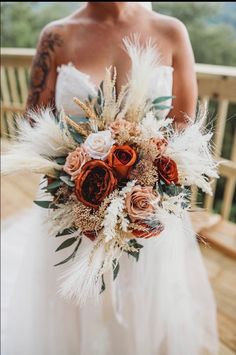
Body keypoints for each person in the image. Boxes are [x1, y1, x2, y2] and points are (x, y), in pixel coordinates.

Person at [2, 3, 218, 355]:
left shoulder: (171, 32)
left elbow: (185, 133)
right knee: (72, 311)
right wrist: (81, 175)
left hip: (146, 214)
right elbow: (33, 127)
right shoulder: (56, 36)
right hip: (71, 217)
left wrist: (145, 179)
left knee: (141, 311)